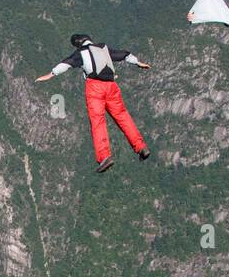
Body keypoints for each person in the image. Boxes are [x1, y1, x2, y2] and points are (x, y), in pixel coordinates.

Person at [35, 34, 152, 173]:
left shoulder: (81, 52)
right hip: (112, 86)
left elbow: (66, 63)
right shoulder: (103, 48)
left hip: (95, 88)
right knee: (123, 116)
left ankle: (104, 157)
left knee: (98, 122)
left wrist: (50, 74)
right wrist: (138, 62)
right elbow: (124, 54)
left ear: (77, 44)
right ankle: (141, 147)